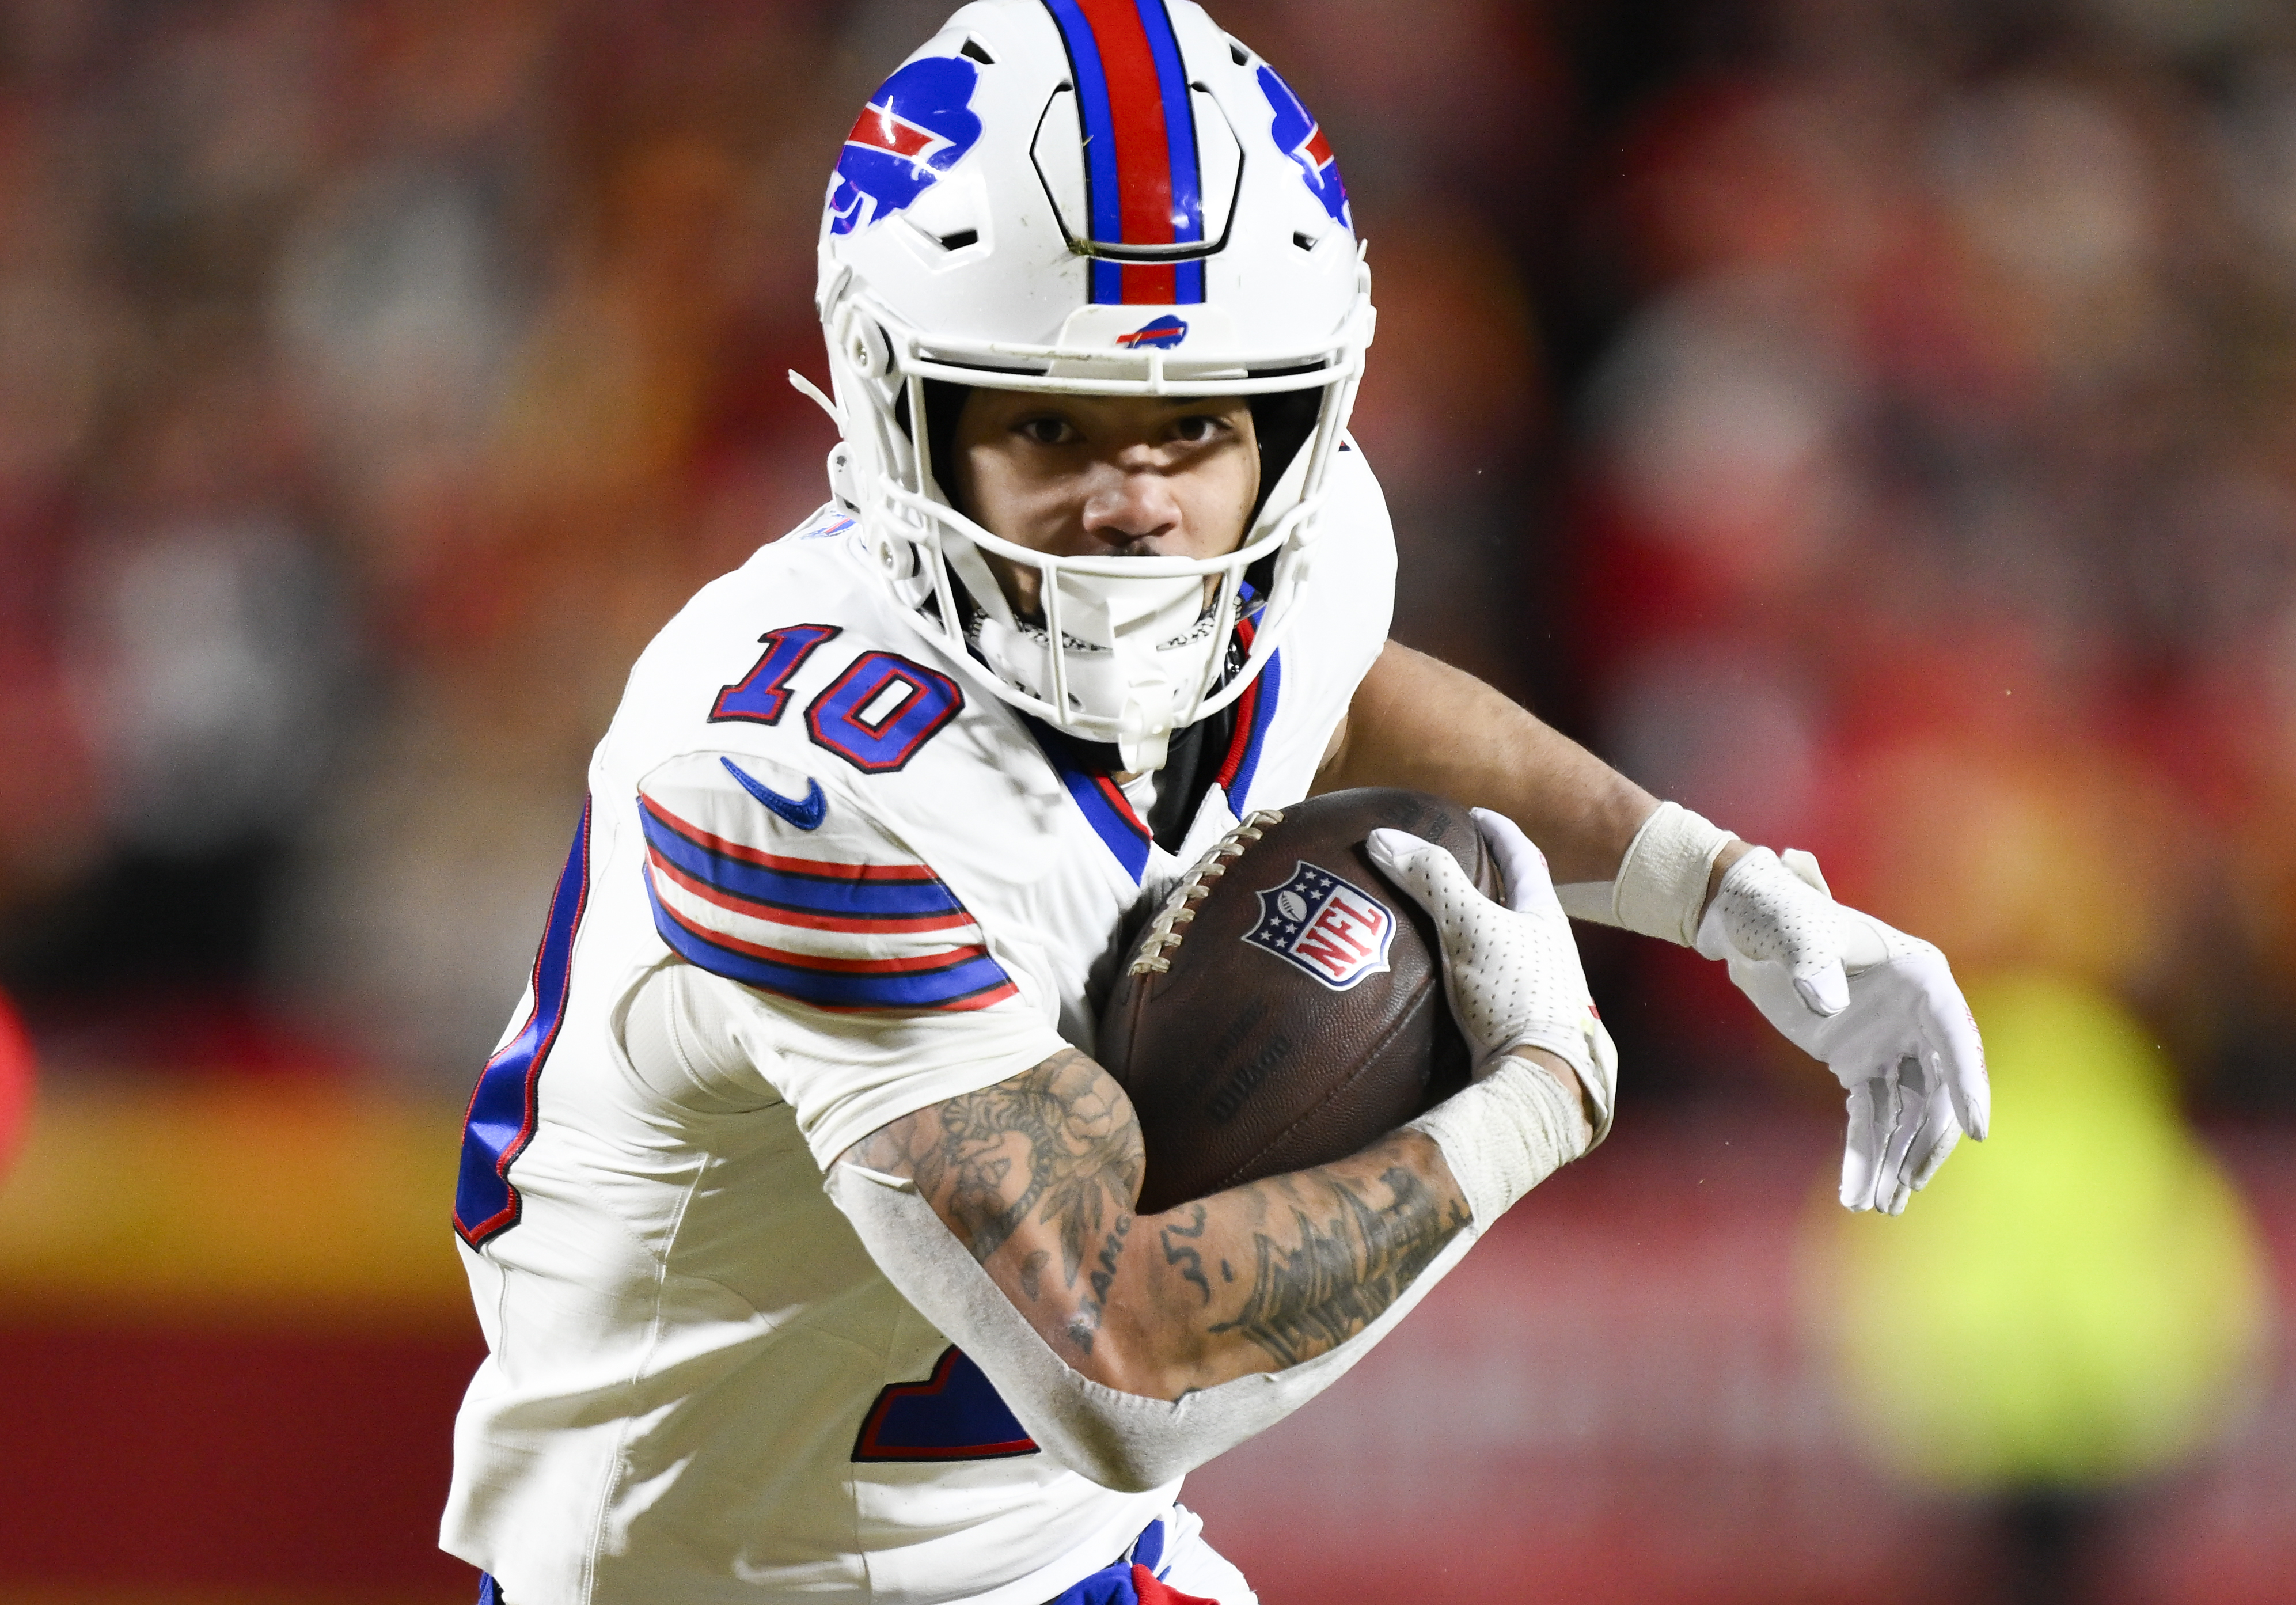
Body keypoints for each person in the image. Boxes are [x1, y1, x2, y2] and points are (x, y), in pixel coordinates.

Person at [440, 3, 1989, 1600]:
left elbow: (1340, 682)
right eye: (1048, 423)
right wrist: (1539, 1091)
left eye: (1193, 425)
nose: (1138, 508)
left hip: (1073, 1562)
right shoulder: (799, 779)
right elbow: (1120, 1366)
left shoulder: (1279, 559)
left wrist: (1718, 888)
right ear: (901, 411)